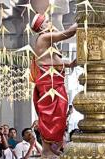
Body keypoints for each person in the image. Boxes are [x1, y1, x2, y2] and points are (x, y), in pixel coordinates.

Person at [30, 13, 77, 156]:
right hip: (48, 83)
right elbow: (68, 33)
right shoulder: (44, 38)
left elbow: (54, 61)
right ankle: (46, 150)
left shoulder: (50, 43)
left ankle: (50, 148)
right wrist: (81, 21)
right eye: (48, 21)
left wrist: (71, 63)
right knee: (50, 116)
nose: (51, 23)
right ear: (42, 26)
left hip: (55, 81)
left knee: (59, 115)